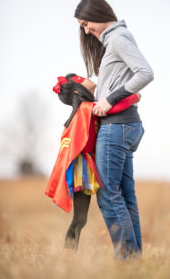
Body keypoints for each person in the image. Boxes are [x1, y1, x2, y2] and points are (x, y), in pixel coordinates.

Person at [74, 0, 154, 260]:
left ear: (97, 13)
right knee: (125, 198)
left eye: (86, 23)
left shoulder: (118, 38)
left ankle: (128, 262)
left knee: (108, 197)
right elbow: (121, 79)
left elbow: (145, 72)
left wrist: (111, 98)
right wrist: (76, 86)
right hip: (125, 126)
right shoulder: (115, 42)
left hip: (116, 128)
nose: (86, 30)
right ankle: (135, 263)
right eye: (83, 27)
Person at [45, 73, 140, 251]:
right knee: (80, 218)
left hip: (90, 164)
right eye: (80, 79)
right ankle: (68, 255)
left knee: (81, 219)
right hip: (83, 169)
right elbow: (113, 108)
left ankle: (69, 254)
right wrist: (134, 96)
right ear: (78, 91)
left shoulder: (87, 108)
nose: (86, 76)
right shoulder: (87, 108)